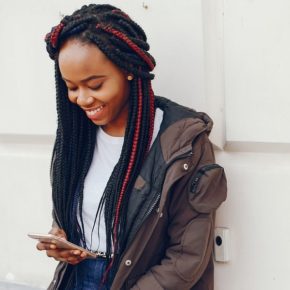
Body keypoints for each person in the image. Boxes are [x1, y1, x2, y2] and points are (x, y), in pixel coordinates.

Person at [36, 4, 227, 290]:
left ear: (127, 69)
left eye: (95, 85)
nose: (83, 99)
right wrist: (63, 240)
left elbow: (186, 258)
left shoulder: (182, 144)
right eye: (72, 87)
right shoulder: (76, 139)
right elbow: (78, 219)